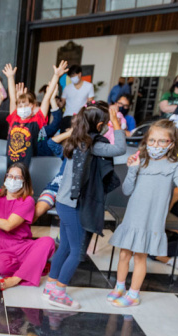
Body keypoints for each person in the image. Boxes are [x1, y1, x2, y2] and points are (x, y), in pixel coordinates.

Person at [106, 120, 178, 307]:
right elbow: (127, 190)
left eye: (161, 141)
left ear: (171, 144)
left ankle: (134, 294)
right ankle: (119, 287)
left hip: (151, 220)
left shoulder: (174, 165)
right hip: (133, 217)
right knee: (124, 254)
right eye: (151, 140)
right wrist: (132, 170)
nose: (155, 145)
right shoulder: (140, 161)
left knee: (140, 257)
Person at [43, 105, 125, 310]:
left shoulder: (75, 141)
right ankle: (59, 293)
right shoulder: (93, 144)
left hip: (63, 202)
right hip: (73, 205)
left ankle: (51, 285)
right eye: (105, 123)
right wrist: (116, 123)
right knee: (77, 251)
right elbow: (120, 148)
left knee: (65, 246)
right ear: (99, 125)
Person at [0, 163, 55, 290]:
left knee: (48, 242)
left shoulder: (27, 201)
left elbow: (8, 225)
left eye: (17, 177)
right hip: (2, 246)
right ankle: (34, 266)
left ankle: (16, 279)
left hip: (23, 246)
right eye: (10, 176)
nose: (12, 180)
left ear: (24, 182)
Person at [4, 61, 66, 167]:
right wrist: (10, 77)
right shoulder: (14, 117)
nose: (22, 108)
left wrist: (56, 75)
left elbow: (46, 98)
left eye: (26, 105)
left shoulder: (37, 120)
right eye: (20, 106)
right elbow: (12, 97)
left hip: (28, 166)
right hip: (10, 165)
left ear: (33, 106)